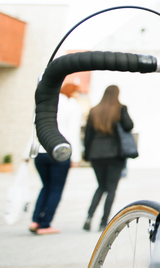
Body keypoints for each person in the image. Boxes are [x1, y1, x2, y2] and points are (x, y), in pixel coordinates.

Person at [29, 83, 83, 235]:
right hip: (60, 151)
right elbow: (73, 132)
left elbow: (35, 127)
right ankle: (45, 225)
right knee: (56, 189)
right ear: (72, 92)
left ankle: (35, 221)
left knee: (45, 186)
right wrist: (76, 157)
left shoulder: (46, 102)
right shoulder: (72, 106)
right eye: (78, 92)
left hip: (40, 151)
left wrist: (28, 153)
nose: (79, 95)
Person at [82, 85, 134, 232]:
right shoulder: (120, 109)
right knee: (111, 188)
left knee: (101, 186)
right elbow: (129, 126)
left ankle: (89, 217)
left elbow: (88, 136)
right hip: (115, 155)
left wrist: (87, 155)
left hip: (96, 154)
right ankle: (103, 223)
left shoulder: (94, 111)